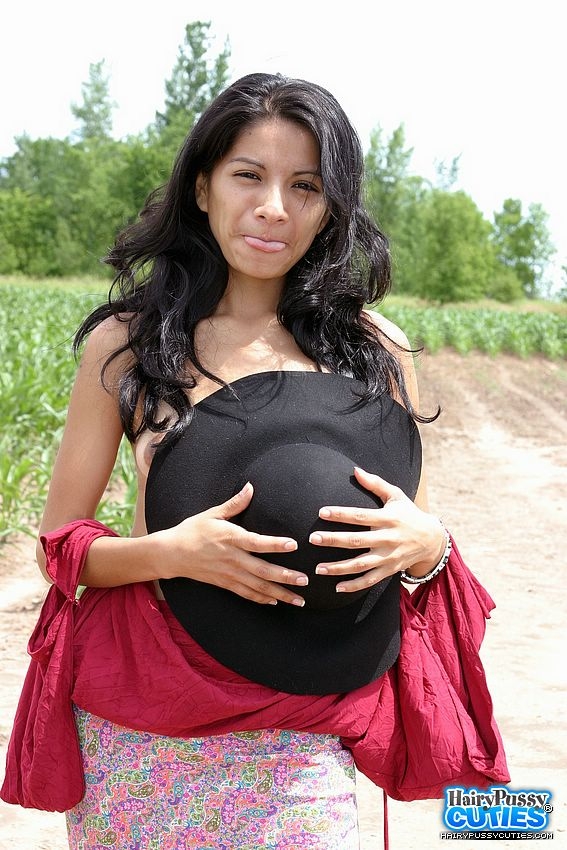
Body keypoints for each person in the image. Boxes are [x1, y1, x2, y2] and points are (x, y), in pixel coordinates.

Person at [3, 72, 509, 849]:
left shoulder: (374, 351)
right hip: (144, 722)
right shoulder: (128, 344)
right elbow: (57, 547)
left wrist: (427, 545)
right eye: (248, 175)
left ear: (331, 206)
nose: (274, 207)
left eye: (304, 186)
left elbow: (402, 538)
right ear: (202, 186)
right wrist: (172, 554)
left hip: (306, 721)